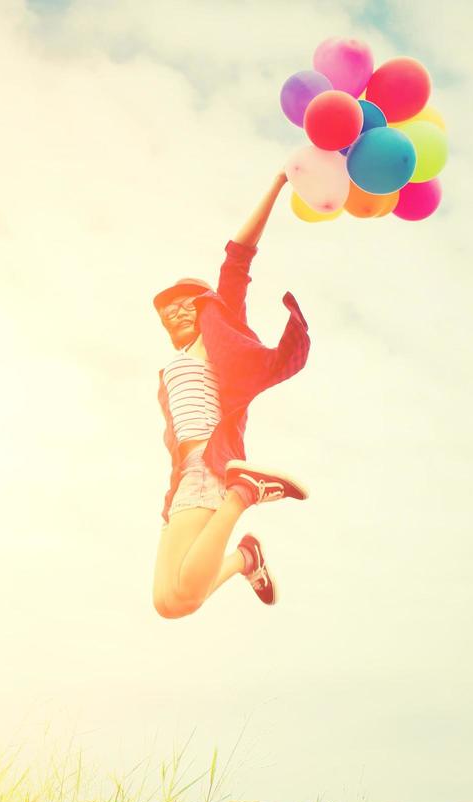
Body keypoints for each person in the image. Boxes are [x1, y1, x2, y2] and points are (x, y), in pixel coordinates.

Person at [151, 172, 312, 619]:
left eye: (185, 303)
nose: (175, 314)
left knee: (178, 602)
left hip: (210, 466)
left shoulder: (215, 340)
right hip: (185, 476)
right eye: (167, 313)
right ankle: (246, 559)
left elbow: (237, 258)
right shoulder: (173, 366)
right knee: (169, 600)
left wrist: (279, 183)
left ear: (203, 306)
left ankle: (245, 492)